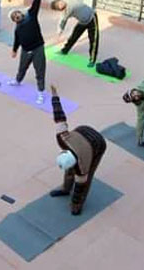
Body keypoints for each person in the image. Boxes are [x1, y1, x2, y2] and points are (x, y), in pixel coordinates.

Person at [48, 84, 107, 215]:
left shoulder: (82, 167)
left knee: (86, 179)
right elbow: (59, 116)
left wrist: (75, 202)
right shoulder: (62, 138)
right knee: (69, 171)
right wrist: (55, 96)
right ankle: (65, 189)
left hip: (98, 144)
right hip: (82, 132)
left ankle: (77, 205)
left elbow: (81, 185)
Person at [51, 0, 99, 68]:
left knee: (93, 40)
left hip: (91, 17)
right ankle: (64, 50)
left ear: (60, 0)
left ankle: (92, 60)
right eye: (58, 7)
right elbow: (62, 22)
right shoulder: (65, 12)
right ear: (59, 9)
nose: (61, 4)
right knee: (73, 36)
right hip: (82, 22)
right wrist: (58, 33)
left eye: (59, 2)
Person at [9, 0, 47, 104]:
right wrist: (14, 50)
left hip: (38, 49)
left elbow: (36, 3)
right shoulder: (17, 29)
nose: (17, 15)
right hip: (26, 51)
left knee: (40, 71)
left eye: (17, 13)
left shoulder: (31, 15)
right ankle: (18, 81)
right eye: (14, 16)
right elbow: (17, 40)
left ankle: (41, 93)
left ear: (20, 13)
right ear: (14, 20)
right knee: (22, 68)